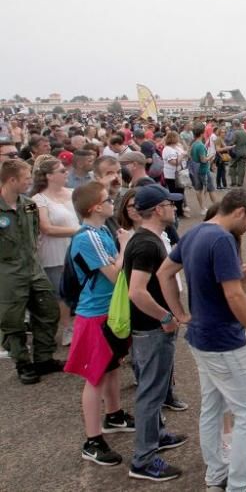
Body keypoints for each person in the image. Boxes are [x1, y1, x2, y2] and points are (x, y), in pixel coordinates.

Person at [158, 188, 246, 492]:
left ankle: (217, 476)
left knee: (212, 408)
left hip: (200, 337)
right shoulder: (222, 239)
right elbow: (233, 295)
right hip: (223, 340)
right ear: (239, 211)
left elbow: (164, 273)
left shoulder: (196, 232)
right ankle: (239, 484)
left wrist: (181, 314)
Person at [64, 181, 134, 465]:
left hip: (109, 312)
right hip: (95, 315)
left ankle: (114, 414)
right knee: (95, 378)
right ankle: (92, 441)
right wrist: (125, 245)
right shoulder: (87, 237)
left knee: (111, 367)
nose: (112, 203)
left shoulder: (101, 230)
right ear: (95, 207)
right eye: (107, 199)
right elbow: (115, 275)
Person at [123, 184, 188, 481]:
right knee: (150, 393)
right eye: (169, 204)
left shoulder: (146, 239)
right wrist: (165, 316)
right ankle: (143, 460)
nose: (174, 208)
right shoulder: (147, 244)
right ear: (158, 209)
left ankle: (156, 436)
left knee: (156, 389)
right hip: (151, 328)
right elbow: (136, 291)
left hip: (150, 328)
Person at [0, 159, 63, 384]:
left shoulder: (28, 205)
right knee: (12, 321)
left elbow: (34, 235)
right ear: (12, 179)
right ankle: (23, 363)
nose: (30, 182)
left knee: (48, 311)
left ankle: (44, 358)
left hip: (33, 269)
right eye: (26, 178)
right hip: (7, 274)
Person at [30, 158, 80, 347]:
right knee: (61, 292)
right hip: (55, 251)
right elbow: (46, 228)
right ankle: (67, 328)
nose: (66, 173)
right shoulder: (39, 199)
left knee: (80, 288)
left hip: (76, 248)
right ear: (49, 176)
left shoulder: (72, 193)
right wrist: (79, 231)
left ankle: (82, 325)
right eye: (61, 171)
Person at [189, 124, 218, 212]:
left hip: (195, 170)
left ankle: (202, 208)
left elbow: (191, 156)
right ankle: (217, 208)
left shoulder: (193, 144)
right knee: (211, 189)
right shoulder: (200, 145)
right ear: (202, 133)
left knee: (198, 189)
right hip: (203, 170)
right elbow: (203, 160)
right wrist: (211, 156)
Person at [161, 131, 187, 219]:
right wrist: (182, 156)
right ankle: (176, 212)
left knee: (181, 192)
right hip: (171, 175)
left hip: (179, 174)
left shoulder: (177, 146)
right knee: (175, 193)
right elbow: (173, 162)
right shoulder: (167, 149)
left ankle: (180, 211)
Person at [229, 121, 246, 188]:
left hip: (236, 152)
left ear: (235, 125)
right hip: (244, 152)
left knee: (232, 166)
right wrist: (245, 150)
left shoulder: (235, 133)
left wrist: (229, 147)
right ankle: (240, 182)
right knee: (242, 167)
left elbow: (232, 142)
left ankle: (233, 182)